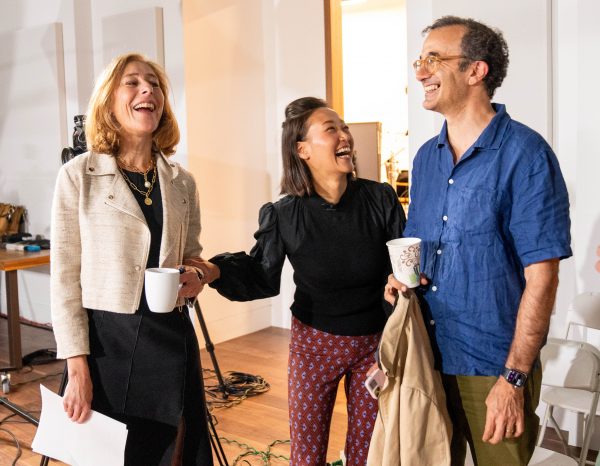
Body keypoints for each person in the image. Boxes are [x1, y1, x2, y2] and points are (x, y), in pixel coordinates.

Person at [384, 16, 572, 466]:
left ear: (475, 71)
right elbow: (430, 249)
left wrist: (513, 379)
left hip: (492, 366)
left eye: (434, 59)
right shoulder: (426, 159)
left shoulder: (526, 154)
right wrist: (403, 281)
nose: (420, 71)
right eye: (419, 59)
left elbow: (542, 278)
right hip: (426, 357)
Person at [187, 97, 406, 466]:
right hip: (313, 345)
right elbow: (262, 273)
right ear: (302, 149)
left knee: (367, 453)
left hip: (375, 344)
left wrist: (399, 285)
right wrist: (215, 269)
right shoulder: (284, 214)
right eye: (331, 129)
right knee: (307, 456)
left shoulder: (380, 198)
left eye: (344, 128)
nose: (345, 136)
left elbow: (402, 266)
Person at [50, 53, 213, 466]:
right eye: (133, 83)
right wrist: (77, 368)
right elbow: (65, 279)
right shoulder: (77, 176)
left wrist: (196, 274)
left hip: (171, 334)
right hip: (109, 343)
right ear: (108, 103)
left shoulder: (182, 182)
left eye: (155, 84)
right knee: (115, 456)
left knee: (178, 451)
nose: (148, 90)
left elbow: (190, 254)